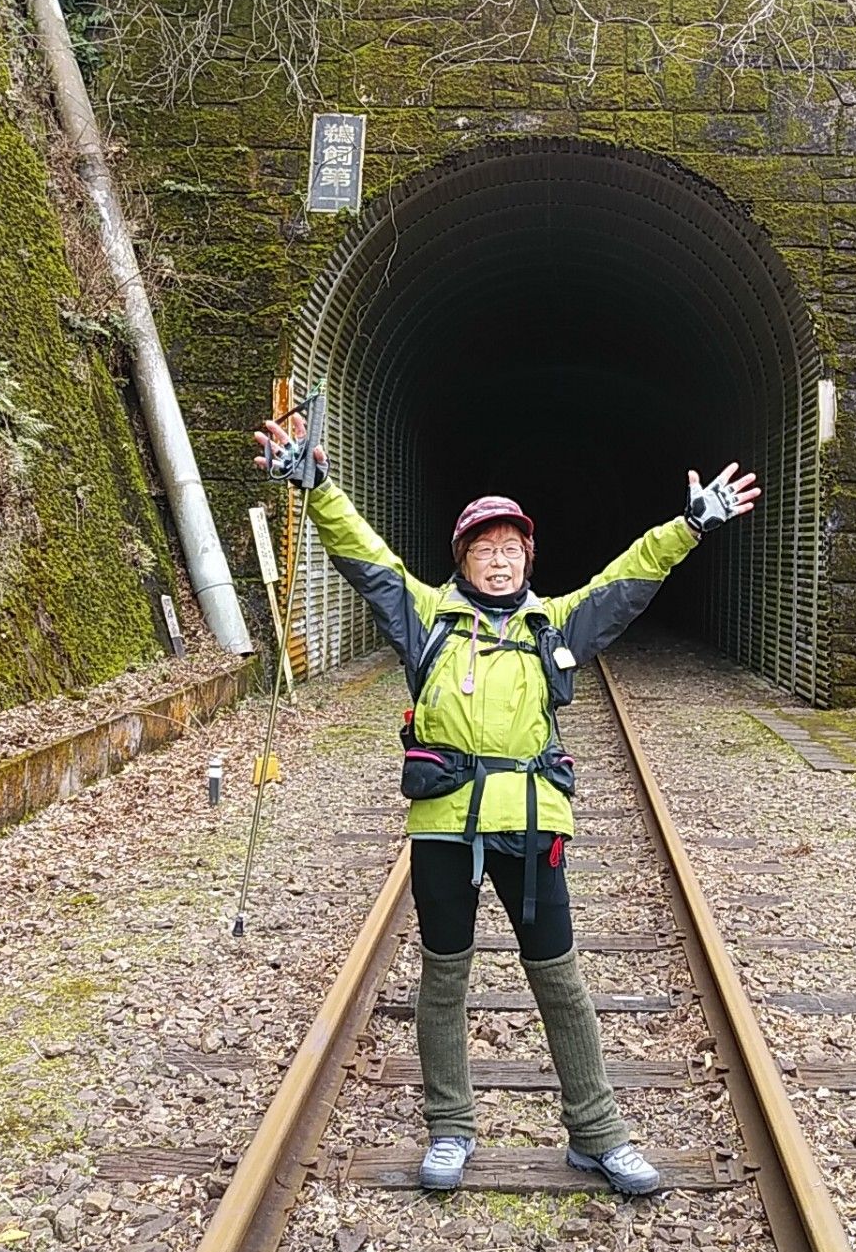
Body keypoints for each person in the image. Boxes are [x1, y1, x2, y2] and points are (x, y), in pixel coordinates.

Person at [253, 413, 758, 1193]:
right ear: (462, 560)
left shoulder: (553, 624)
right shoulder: (426, 618)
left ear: (528, 558)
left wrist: (689, 526)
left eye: (511, 548)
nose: (498, 559)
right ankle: (450, 1128)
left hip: (530, 824)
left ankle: (597, 1132)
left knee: (559, 977)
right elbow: (365, 557)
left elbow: (626, 580)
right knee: (443, 977)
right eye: (484, 548)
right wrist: (316, 487)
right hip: (445, 826)